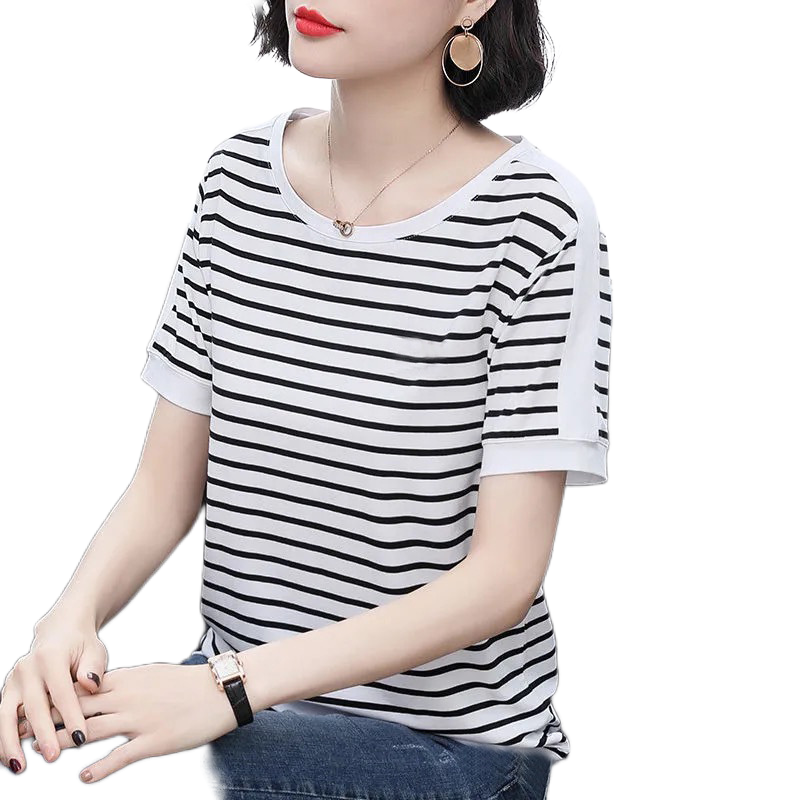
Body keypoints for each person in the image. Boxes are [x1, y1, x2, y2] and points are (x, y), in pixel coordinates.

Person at [0, 1, 612, 798]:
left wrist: (227, 688)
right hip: (238, 704)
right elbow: (162, 486)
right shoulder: (236, 181)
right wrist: (67, 620)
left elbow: (502, 578)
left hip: (442, 745)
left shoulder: (536, 218)